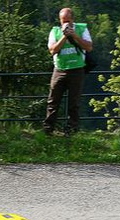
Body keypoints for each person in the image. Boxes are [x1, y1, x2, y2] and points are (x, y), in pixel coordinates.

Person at [43, 7, 93, 136]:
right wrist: (64, 37)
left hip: (77, 69)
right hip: (59, 69)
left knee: (74, 102)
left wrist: (74, 35)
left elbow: (88, 47)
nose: (65, 24)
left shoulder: (82, 29)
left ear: (72, 20)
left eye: (68, 21)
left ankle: (72, 129)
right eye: (63, 21)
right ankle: (48, 129)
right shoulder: (55, 31)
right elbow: (52, 50)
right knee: (53, 100)